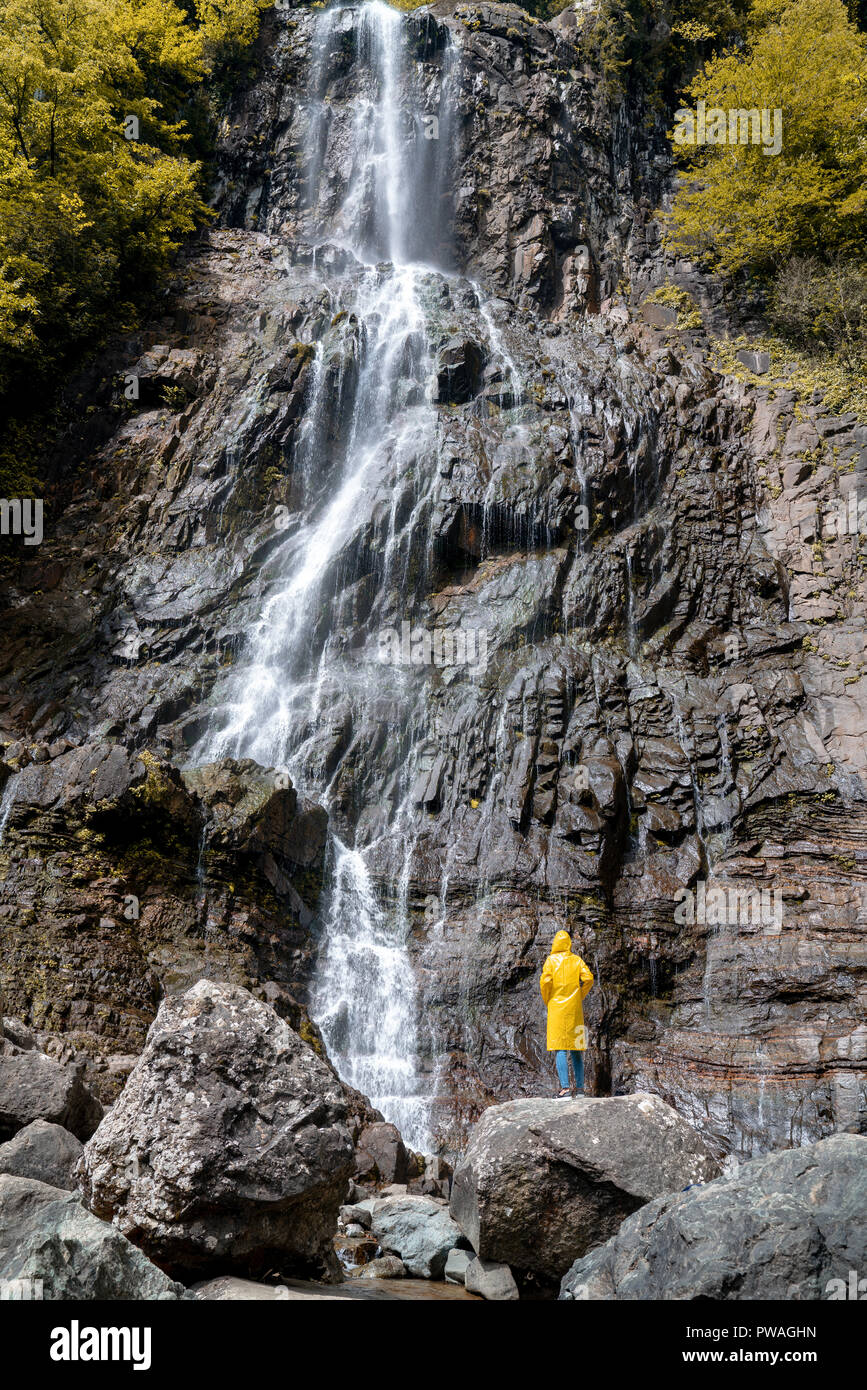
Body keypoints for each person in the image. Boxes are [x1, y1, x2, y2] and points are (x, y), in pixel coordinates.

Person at [540, 929, 594, 1097]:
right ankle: (580, 1089)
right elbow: (589, 979)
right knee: (576, 1047)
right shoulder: (577, 960)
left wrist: (548, 999)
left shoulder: (550, 961)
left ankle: (564, 1089)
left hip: (557, 1007)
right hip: (575, 1008)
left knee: (560, 1048)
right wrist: (580, 995)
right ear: (569, 944)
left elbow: (545, 982)